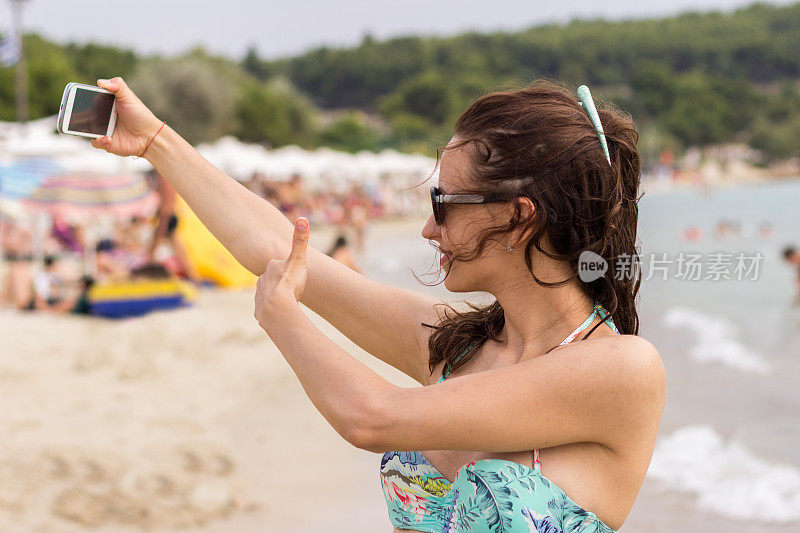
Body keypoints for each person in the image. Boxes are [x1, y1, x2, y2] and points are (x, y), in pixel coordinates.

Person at [89, 76, 664, 532]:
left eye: (443, 204)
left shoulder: (621, 370)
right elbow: (280, 249)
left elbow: (372, 417)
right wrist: (156, 142)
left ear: (518, 217)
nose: (426, 229)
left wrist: (283, 319)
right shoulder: (459, 346)